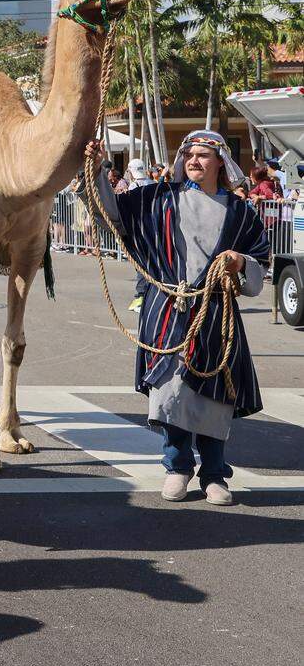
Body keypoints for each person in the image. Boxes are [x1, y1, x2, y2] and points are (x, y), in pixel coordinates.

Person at [88, 129, 268, 507]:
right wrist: (96, 167)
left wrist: (240, 262)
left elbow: (260, 264)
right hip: (167, 309)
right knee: (170, 391)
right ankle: (177, 467)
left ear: (221, 161)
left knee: (216, 396)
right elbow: (112, 214)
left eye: (203, 155)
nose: (194, 161)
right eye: (188, 154)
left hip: (216, 314)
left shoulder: (241, 213)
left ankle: (215, 474)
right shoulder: (157, 198)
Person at [126, 159, 153, 313]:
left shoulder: (133, 186)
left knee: (141, 265)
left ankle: (140, 296)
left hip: (140, 229)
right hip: (153, 228)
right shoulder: (151, 183)